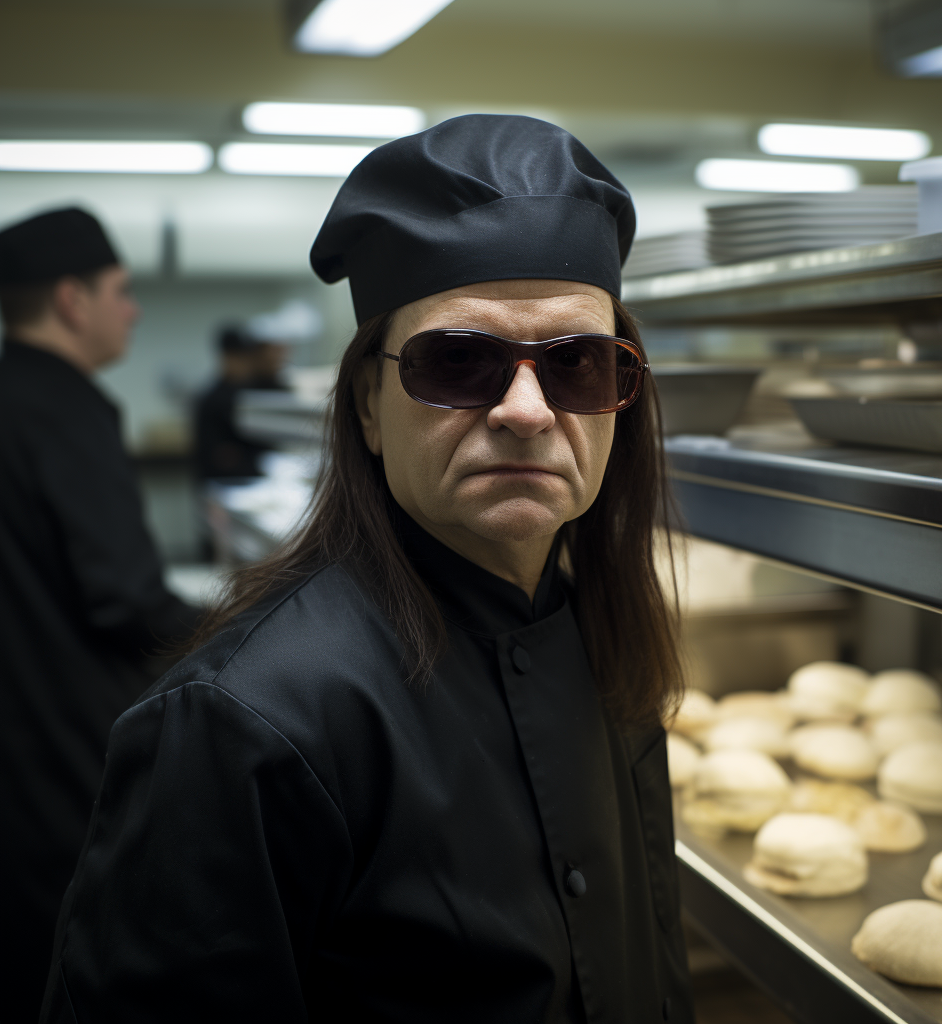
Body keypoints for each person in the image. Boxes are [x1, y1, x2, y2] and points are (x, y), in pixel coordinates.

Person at [41, 116, 693, 1023]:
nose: (527, 411)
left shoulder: (607, 641)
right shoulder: (244, 724)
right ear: (369, 409)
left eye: (577, 363)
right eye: (460, 362)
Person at [0, 207, 202, 1022]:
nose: (135, 309)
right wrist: (235, 634)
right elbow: (124, 596)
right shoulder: (68, 409)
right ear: (71, 300)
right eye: (121, 291)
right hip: (65, 749)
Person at [192, 326, 278, 482]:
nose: (246, 364)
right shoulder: (212, 400)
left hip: (254, 482)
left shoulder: (251, 391)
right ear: (227, 357)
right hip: (223, 485)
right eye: (241, 357)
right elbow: (217, 457)